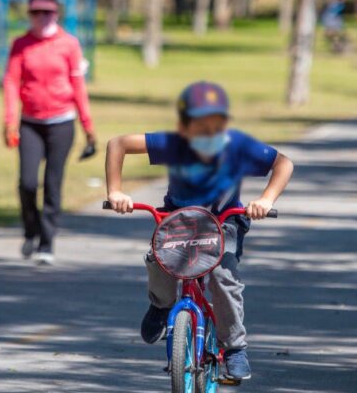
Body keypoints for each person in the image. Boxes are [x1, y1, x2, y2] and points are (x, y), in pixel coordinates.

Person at [104, 81, 294, 381]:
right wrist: (115, 191)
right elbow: (119, 144)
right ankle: (161, 305)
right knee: (159, 261)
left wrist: (265, 199)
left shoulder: (238, 147)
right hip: (178, 219)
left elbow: (282, 163)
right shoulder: (173, 143)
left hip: (223, 222)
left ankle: (234, 347)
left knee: (221, 275)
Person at [3, 0, 96, 265]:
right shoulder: (21, 44)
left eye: (47, 12)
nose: (41, 18)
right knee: (28, 182)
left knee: (53, 185)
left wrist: (87, 125)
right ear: (29, 15)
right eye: (36, 13)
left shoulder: (69, 44)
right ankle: (30, 229)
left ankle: (47, 242)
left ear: (56, 14)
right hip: (30, 122)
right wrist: (9, 120)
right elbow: (11, 81)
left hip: (61, 123)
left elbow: (78, 86)